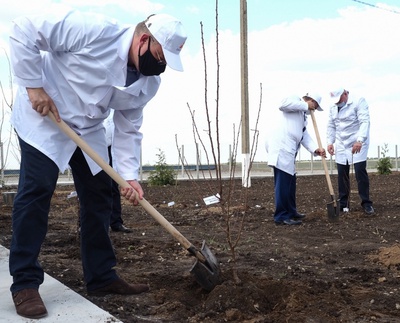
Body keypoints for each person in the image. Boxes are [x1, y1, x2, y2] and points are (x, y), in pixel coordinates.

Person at [8, 10, 187, 319]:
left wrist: (128, 176)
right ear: (143, 39)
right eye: (159, 56)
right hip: (46, 118)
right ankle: (24, 283)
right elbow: (24, 27)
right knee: (36, 191)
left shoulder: (148, 83)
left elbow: (129, 126)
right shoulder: (92, 30)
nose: (161, 67)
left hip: (88, 129)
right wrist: (33, 85)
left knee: (100, 196)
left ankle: (101, 276)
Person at [265, 93, 326, 225]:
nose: (314, 109)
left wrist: (315, 149)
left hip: (290, 150)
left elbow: (304, 135)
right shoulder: (294, 100)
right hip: (281, 147)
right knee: (283, 183)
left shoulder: (303, 117)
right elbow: (282, 105)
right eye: (315, 106)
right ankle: (281, 216)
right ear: (311, 100)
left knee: (290, 182)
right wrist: (305, 105)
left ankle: (291, 211)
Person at [327, 88, 374, 215]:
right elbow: (331, 125)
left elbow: (364, 121)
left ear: (345, 93)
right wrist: (330, 142)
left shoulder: (359, 101)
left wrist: (360, 140)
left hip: (357, 141)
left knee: (359, 171)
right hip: (341, 143)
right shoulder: (332, 107)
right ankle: (343, 204)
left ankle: (366, 203)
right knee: (342, 173)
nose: (337, 103)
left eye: (339, 100)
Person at [104, 111, 132, 233]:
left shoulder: (116, 108)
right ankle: (85, 224)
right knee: (90, 188)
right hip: (93, 147)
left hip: (111, 148)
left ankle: (116, 222)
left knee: (113, 187)